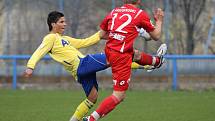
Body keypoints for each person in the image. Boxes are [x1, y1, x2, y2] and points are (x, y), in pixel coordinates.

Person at [24, 11, 165, 121]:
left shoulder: (64, 39)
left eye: (65, 21)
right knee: (114, 57)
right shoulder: (50, 38)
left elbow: (85, 42)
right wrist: (30, 66)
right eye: (61, 22)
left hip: (80, 72)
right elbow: (39, 51)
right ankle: (151, 64)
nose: (65, 24)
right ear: (53, 24)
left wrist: (103, 35)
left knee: (92, 97)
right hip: (83, 64)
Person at [84, 0, 165, 120]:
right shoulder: (139, 14)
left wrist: (124, 34)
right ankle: (91, 119)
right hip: (120, 56)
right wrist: (159, 21)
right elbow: (156, 35)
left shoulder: (114, 11)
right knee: (119, 96)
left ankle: (156, 62)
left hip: (110, 50)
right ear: (139, 1)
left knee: (134, 54)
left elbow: (102, 34)